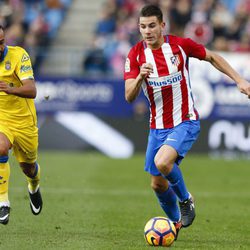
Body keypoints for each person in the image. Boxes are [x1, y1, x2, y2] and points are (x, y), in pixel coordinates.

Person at [124, 4, 250, 239]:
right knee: (157, 185)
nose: (147, 31)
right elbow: (128, 96)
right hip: (157, 127)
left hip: (185, 121)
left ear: (162, 25)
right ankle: (175, 225)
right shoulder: (135, 56)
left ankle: (186, 199)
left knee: (163, 162)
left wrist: (240, 80)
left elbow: (212, 57)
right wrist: (140, 75)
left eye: (152, 25)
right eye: (143, 27)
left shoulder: (181, 46)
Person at [0, 25, 43, 225]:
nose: (0, 47)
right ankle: (3, 202)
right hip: (2, 120)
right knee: (0, 147)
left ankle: (34, 186)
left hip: (24, 122)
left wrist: (10, 88)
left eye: (1, 42)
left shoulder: (19, 55)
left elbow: (31, 90)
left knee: (29, 168)